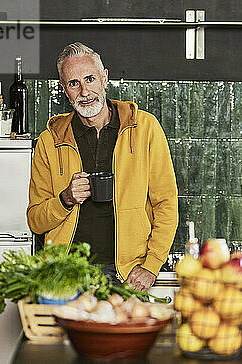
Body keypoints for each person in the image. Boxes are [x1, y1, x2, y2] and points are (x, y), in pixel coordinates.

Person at [27, 42, 178, 291]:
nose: (85, 91)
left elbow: (166, 204)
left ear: (104, 78)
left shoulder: (145, 128)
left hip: (127, 276)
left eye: (90, 79)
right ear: (65, 90)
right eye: (74, 83)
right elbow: (36, 221)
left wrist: (152, 265)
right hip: (66, 275)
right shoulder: (49, 141)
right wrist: (65, 199)